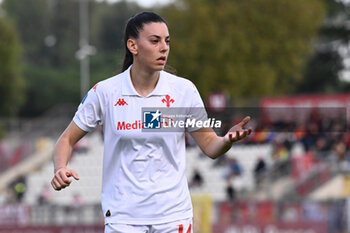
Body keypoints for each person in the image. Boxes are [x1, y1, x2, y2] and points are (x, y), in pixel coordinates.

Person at [50, 12, 252, 233]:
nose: (164, 47)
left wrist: (227, 141)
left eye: (167, 41)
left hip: (173, 216)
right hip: (122, 217)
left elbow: (210, 145)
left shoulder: (184, 91)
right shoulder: (105, 92)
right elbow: (66, 139)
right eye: (155, 41)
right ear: (133, 46)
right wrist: (60, 168)